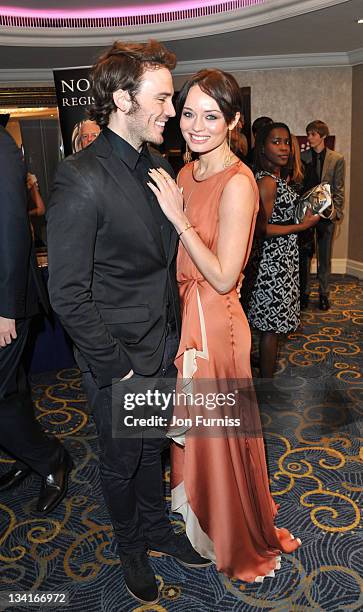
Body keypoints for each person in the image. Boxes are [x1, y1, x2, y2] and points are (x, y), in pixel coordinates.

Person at [46, 40, 210, 606]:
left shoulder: (159, 167)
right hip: (117, 360)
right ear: (122, 99)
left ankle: (158, 531)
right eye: (163, 98)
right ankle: (130, 547)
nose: (173, 109)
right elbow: (66, 292)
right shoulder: (80, 177)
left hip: (161, 346)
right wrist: (120, 371)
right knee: (121, 461)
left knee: (150, 451)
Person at [147, 70, 302, 582]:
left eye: (210, 115)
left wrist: (178, 219)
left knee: (220, 436)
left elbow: (222, 275)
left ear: (234, 121)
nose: (195, 125)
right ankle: (197, 516)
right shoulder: (187, 172)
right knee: (196, 432)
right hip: (186, 319)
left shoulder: (239, 183)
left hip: (218, 326)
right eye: (188, 113)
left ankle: (235, 533)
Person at [0, 125, 72, 514]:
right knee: (13, 390)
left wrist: (6, 309)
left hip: (4, 303)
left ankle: (50, 459)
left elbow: (12, 229)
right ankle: (29, 458)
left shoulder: (1, 145)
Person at [244, 122, 319, 379]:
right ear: (262, 148)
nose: (284, 147)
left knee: (271, 328)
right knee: (270, 330)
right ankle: (265, 386)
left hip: (280, 261)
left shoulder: (275, 178)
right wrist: (301, 226)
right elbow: (261, 230)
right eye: (276, 142)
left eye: (286, 141)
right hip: (271, 265)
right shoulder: (267, 181)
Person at [300, 120, 345, 311]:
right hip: (308, 215)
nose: (309, 138)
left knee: (324, 257)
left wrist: (337, 213)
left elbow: (339, 188)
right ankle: (303, 293)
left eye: (313, 134)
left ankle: (324, 294)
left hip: (327, 215)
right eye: (308, 134)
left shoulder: (337, 159)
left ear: (322, 136)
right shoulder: (302, 157)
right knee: (305, 256)